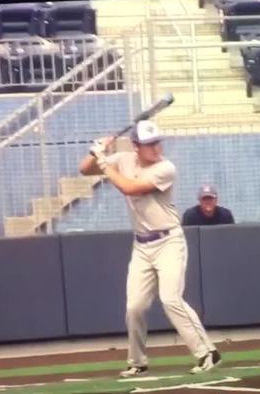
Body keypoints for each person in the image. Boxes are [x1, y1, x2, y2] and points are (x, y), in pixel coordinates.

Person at [79, 120, 221, 377]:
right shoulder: (124, 159)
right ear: (136, 146)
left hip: (169, 242)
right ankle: (137, 362)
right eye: (149, 144)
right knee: (134, 307)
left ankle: (207, 352)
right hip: (141, 246)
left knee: (170, 298)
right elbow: (85, 170)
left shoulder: (166, 168)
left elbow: (129, 188)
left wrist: (103, 161)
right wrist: (96, 150)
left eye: (157, 142)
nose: (156, 148)